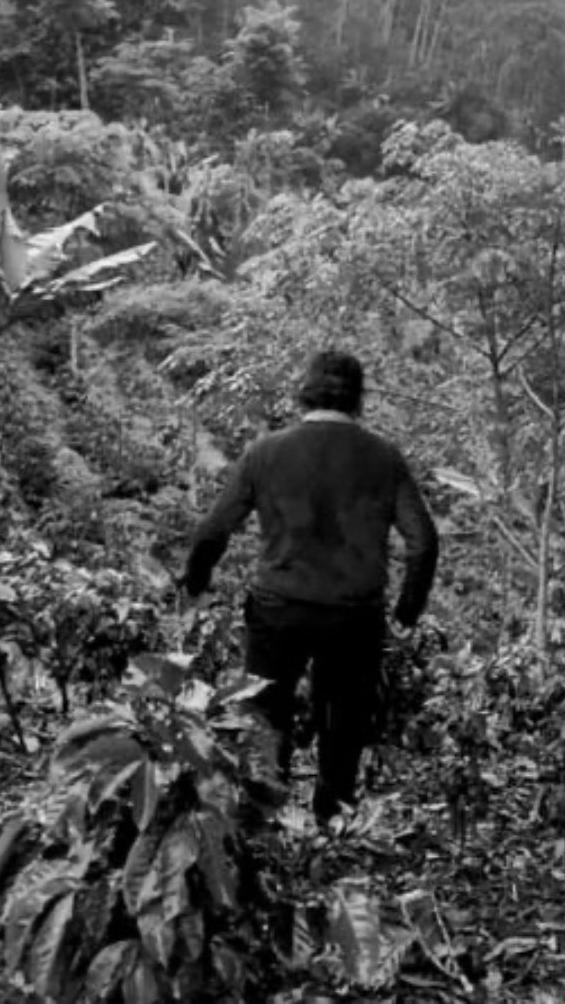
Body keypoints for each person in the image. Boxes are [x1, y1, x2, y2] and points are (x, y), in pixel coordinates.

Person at [181, 350, 439, 825]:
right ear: (358, 399)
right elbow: (422, 543)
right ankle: (332, 822)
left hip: (278, 609)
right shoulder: (384, 457)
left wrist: (195, 585)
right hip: (354, 615)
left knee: (265, 719)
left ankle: (264, 820)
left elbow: (213, 531)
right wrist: (405, 614)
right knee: (344, 723)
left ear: (305, 391)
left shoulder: (265, 452)